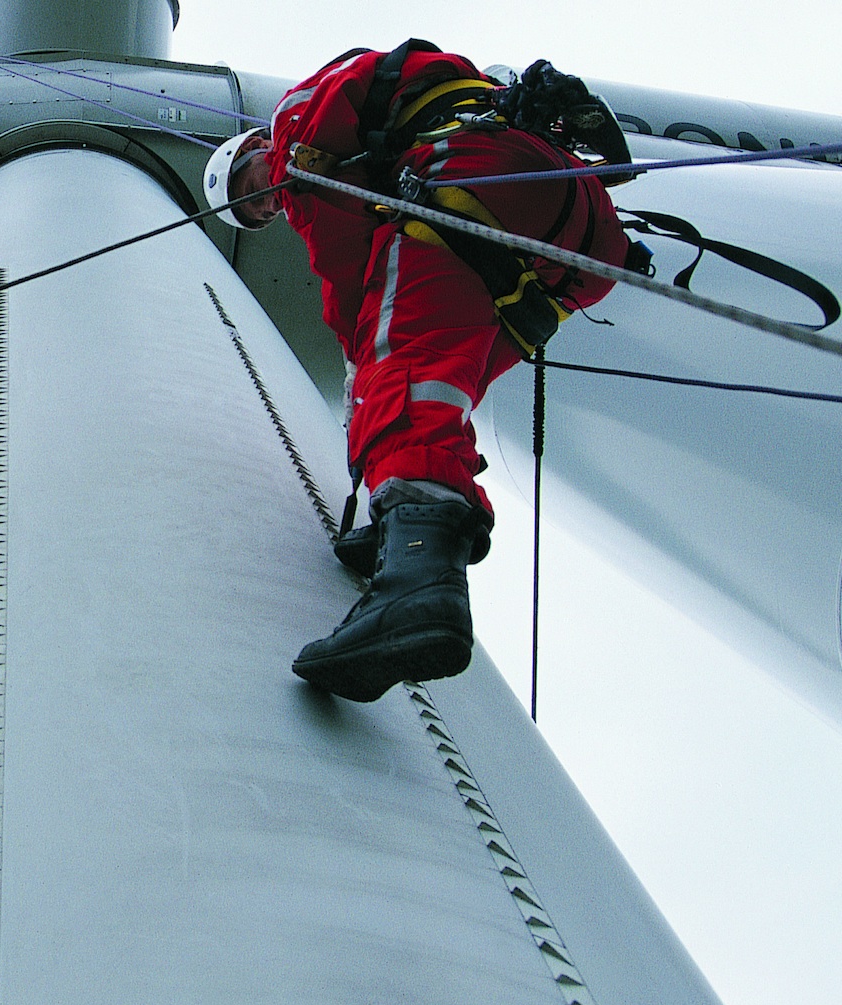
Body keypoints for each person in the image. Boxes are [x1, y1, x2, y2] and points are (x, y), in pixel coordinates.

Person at [203, 41, 644, 703]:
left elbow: (343, 264)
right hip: (577, 233)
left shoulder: (299, 126)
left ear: (254, 146)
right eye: (256, 213)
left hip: (475, 178)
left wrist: (359, 367)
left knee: (397, 372)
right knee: (445, 386)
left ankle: (418, 577)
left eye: (250, 185)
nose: (267, 204)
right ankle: (406, 519)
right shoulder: (411, 95)